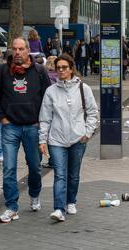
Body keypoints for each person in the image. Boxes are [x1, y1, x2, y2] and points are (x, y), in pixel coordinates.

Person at [0, 37, 51, 223]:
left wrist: (42, 122)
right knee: (9, 168)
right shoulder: (1, 71)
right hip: (11, 127)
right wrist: (3, 118)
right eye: (14, 49)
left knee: (34, 166)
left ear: (28, 51)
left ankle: (34, 194)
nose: (17, 52)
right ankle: (11, 207)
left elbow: (48, 98)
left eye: (21, 49)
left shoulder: (39, 71)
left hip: (33, 126)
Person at [38, 54, 98, 222]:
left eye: (65, 67)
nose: (61, 70)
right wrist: (42, 140)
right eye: (58, 68)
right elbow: (45, 117)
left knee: (73, 174)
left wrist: (87, 133)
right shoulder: (51, 91)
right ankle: (58, 208)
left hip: (78, 139)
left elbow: (93, 112)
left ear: (71, 69)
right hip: (56, 140)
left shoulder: (83, 88)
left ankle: (71, 201)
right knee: (60, 174)